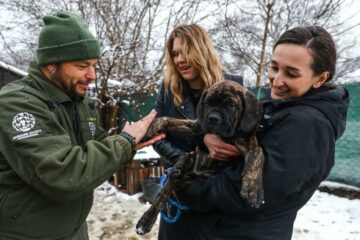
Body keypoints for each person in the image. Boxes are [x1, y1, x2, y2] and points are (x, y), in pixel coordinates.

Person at [0, 11, 164, 240]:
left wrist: (132, 142)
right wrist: (123, 142)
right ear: (50, 65)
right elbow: (64, 174)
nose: (92, 75)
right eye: (81, 66)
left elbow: (97, 145)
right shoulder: (17, 104)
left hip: (75, 230)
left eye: (94, 65)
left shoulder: (79, 100)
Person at [176, 26, 350, 239]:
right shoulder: (280, 106)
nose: (276, 80)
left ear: (320, 78)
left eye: (291, 73)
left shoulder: (308, 124)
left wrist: (186, 188)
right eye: (274, 67)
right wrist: (207, 136)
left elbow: (248, 192)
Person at [153, 24, 243, 240]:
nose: (180, 60)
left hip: (217, 195)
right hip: (179, 191)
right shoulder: (168, 89)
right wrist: (185, 160)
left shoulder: (233, 86)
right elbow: (156, 136)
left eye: (186, 51)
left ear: (202, 50)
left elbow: (246, 135)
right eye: (175, 53)